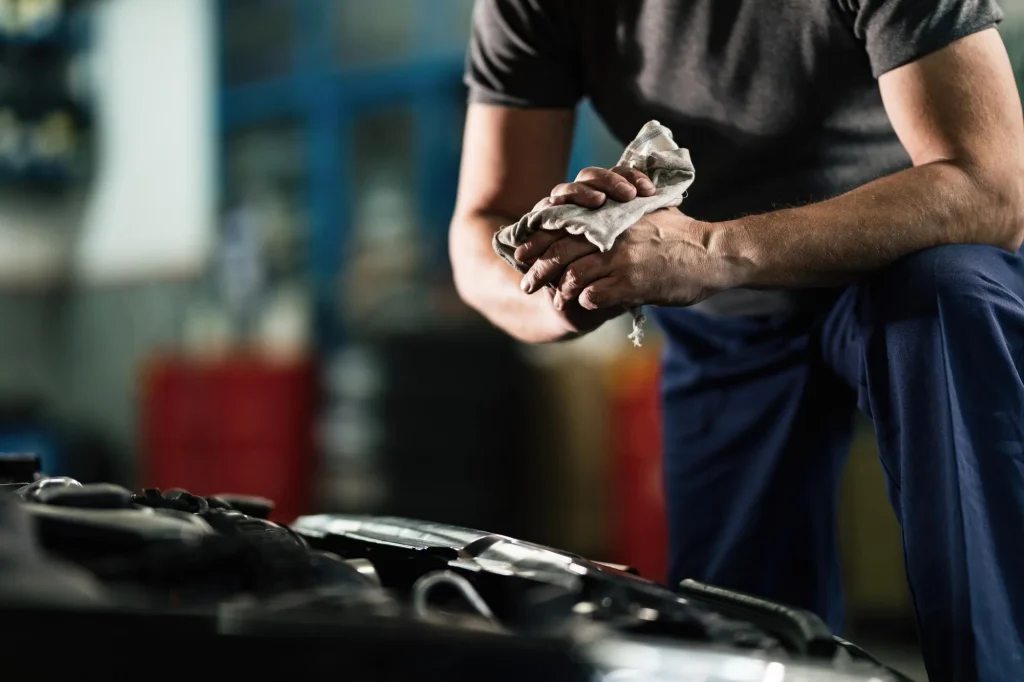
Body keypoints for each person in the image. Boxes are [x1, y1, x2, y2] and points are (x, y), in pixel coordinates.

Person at [448, 0, 1024, 680]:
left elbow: (993, 190)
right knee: (736, 634)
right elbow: (478, 237)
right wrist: (578, 278)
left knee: (949, 295)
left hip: (902, 272)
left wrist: (716, 248)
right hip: (722, 312)